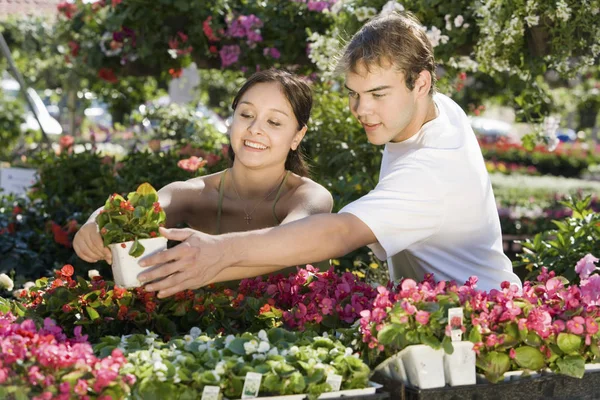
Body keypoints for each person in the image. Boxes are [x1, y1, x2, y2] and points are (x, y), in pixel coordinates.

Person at [137, 11, 522, 298]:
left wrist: (219, 252)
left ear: (420, 83)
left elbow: (339, 233)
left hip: (481, 325)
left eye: (377, 94)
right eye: (354, 92)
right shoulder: (436, 111)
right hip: (446, 313)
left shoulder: (431, 170)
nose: (361, 109)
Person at [73, 69, 334, 283]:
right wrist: (95, 224)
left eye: (274, 122)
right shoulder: (192, 193)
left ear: (297, 136)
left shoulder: (310, 197)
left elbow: (288, 240)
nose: (255, 129)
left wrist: (216, 255)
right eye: (246, 115)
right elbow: (135, 210)